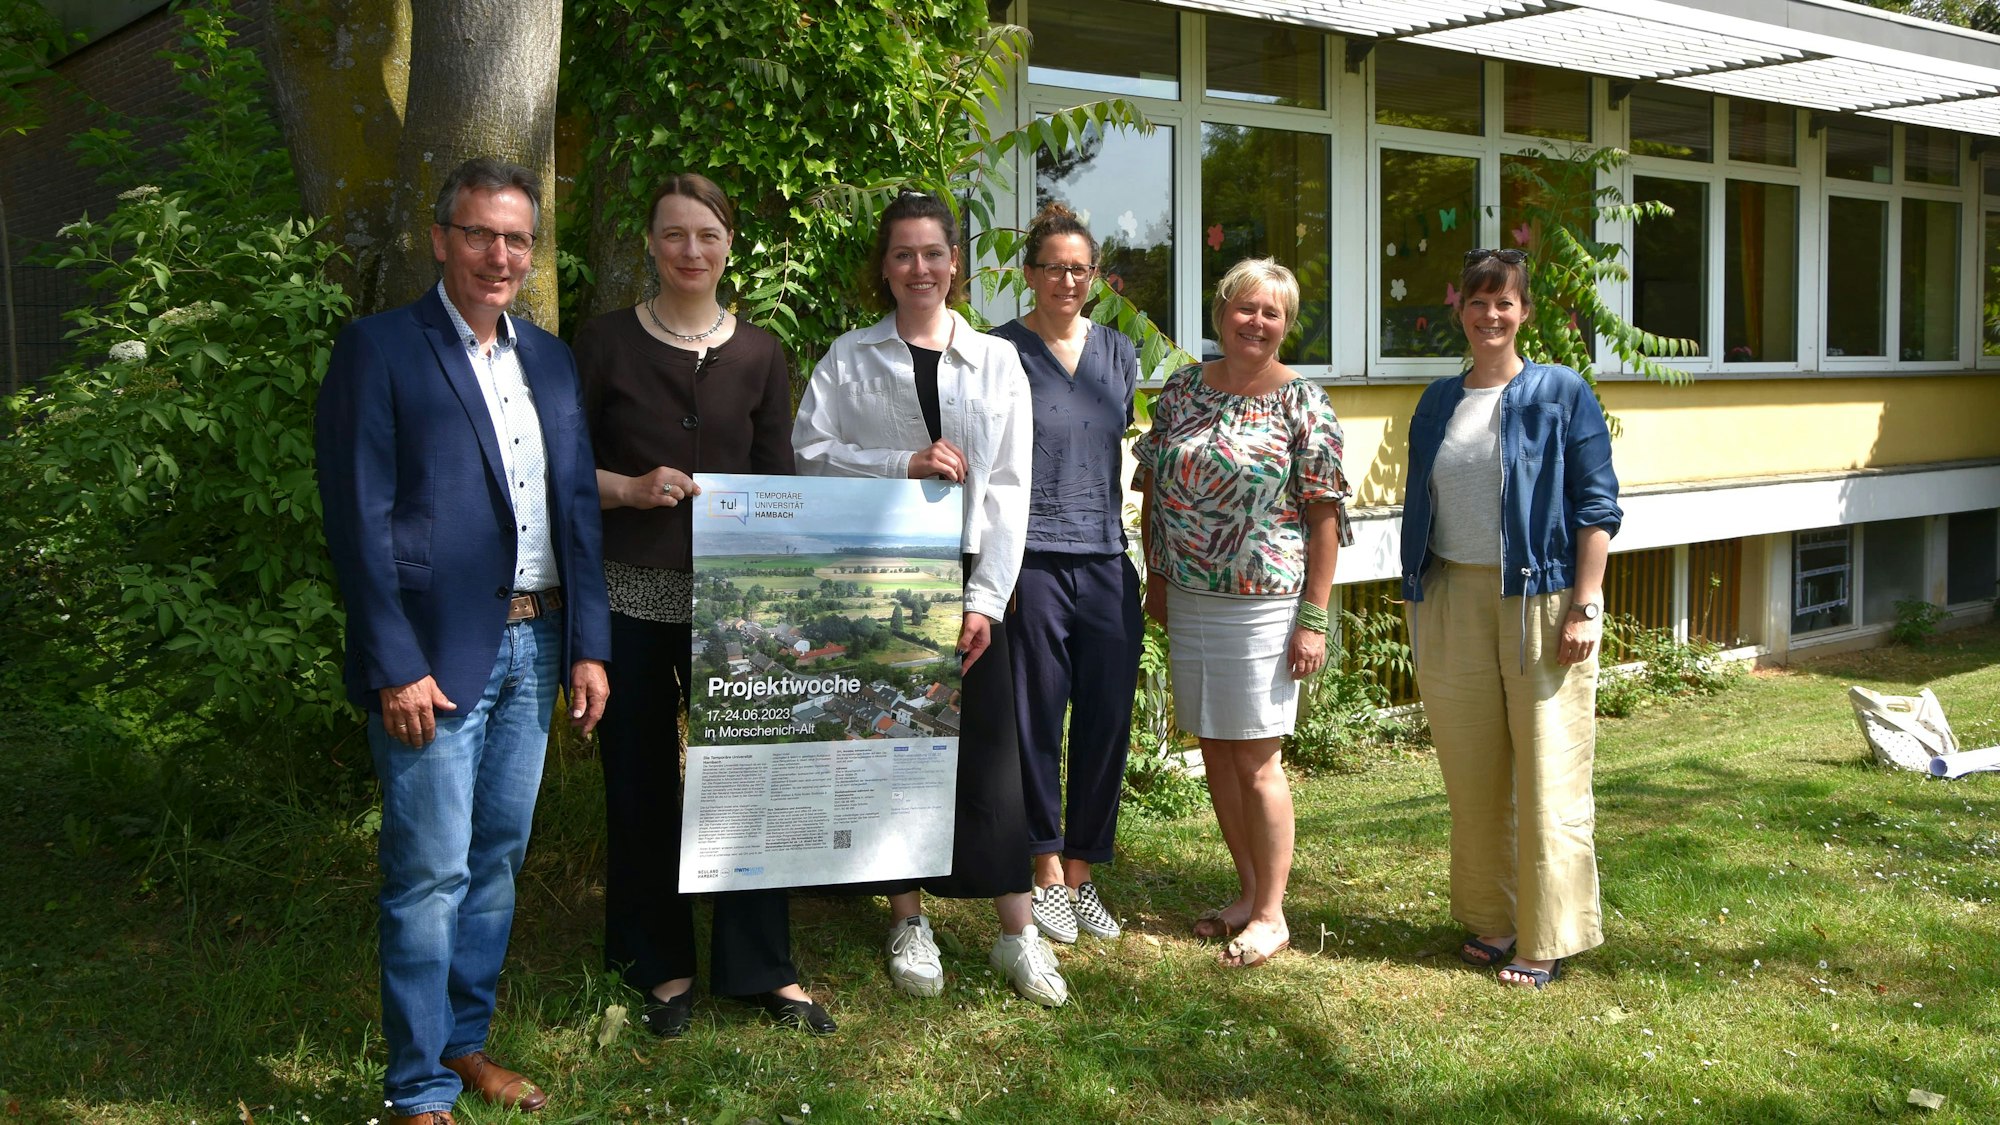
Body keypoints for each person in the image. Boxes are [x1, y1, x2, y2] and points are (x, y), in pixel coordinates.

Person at [315, 157, 611, 1125]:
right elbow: (357, 519)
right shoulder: (380, 349)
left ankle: (462, 1043)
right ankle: (415, 1089)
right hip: (433, 663)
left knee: (494, 861)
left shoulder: (551, 360)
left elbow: (576, 510)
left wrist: (588, 645)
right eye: (479, 233)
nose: (498, 254)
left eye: (516, 238)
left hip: (538, 647)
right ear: (440, 239)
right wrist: (392, 661)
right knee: (430, 871)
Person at [791, 189, 1067, 1006]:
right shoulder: (848, 357)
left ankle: (1017, 933)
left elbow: (1011, 487)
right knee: (890, 750)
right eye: (903, 254)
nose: (919, 268)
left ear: (956, 263)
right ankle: (908, 917)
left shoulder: (997, 360)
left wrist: (986, 598)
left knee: (990, 755)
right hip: (880, 582)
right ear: (885, 267)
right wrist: (899, 464)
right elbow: (808, 454)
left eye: (933, 253)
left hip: (971, 583)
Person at [573, 173, 832, 1036]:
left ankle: (763, 967)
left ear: (729, 246)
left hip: (739, 604)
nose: (691, 250)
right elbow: (564, 471)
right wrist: (629, 488)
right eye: (674, 234)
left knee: (751, 777)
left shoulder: (760, 353)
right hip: (630, 597)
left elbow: (780, 484)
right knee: (641, 779)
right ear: (650, 243)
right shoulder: (604, 342)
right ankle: (660, 966)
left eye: (707, 235)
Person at [1399, 248, 1621, 990]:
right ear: (1457, 307)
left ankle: (1547, 934)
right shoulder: (1437, 400)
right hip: (1452, 596)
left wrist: (1585, 604)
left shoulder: (1560, 391)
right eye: (1477, 300)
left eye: (1505, 302)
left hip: (1544, 598)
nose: (1490, 314)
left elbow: (1597, 506)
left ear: (1525, 311)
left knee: (1548, 773)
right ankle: (1493, 919)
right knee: (1472, 773)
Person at [1131, 257, 1352, 970]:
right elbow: (1153, 488)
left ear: (1286, 325)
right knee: (1217, 746)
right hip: (1191, 596)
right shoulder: (1183, 390)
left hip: (1266, 603)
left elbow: (1324, 518)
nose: (1256, 322)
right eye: (1245, 308)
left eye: (1273, 313)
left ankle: (1271, 914)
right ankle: (1246, 889)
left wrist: (1313, 617)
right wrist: (1157, 576)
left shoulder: (1304, 402)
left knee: (1256, 755)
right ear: (1222, 310)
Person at [987, 203, 1143, 946]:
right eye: (1053, 267)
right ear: (1029, 274)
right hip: (1032, 561)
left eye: (1080, 268)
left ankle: (1083, 871)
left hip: (1109, 558)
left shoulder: (1119, 352)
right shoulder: (998, 352)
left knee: (1109, 716)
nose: (1067, 280)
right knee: (1036, 716)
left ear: (1095, 276)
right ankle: (1044, 866)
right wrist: (995, 566)